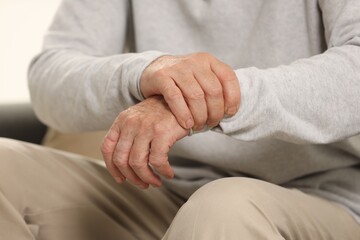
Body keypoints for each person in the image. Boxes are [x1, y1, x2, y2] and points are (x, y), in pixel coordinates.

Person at [1, 0, 360, 239]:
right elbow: (49, 76)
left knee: (223, 207)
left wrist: (206, 101)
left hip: (324, 199)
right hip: (165, 190)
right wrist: (145, 74)